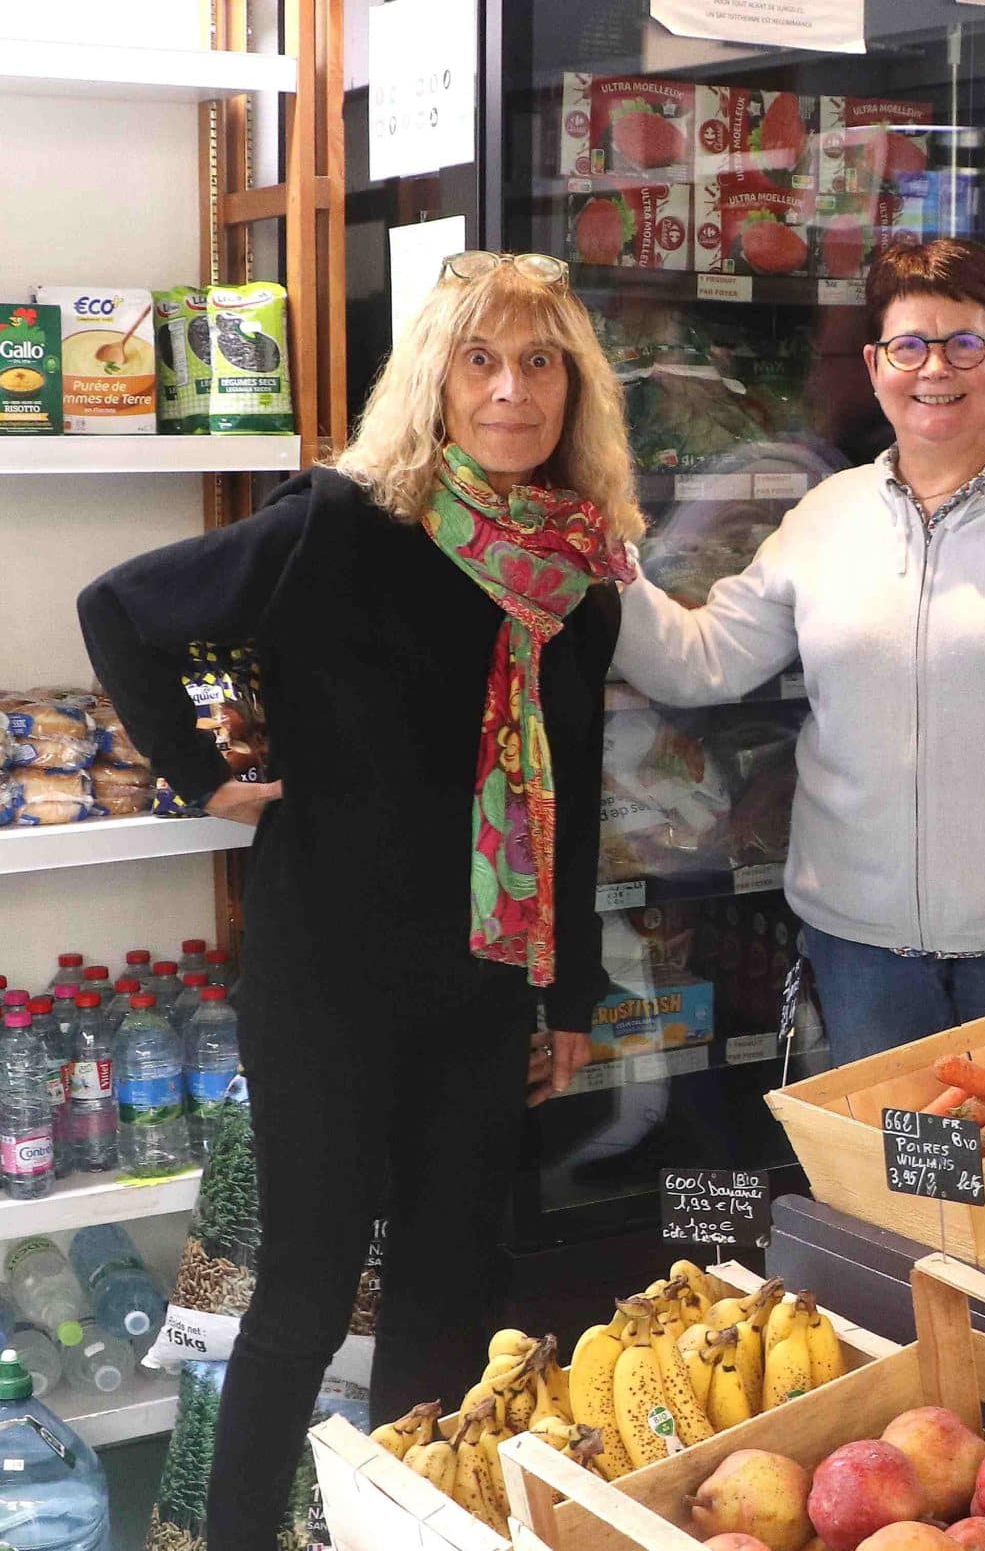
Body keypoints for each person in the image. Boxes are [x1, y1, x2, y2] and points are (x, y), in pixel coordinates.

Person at [77, 251, 629, 1548]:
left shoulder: (575, 576)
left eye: (539, 361)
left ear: (573, 386)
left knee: (447, 1299)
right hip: (326, 980)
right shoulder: (341, 524)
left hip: (483, 990)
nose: (510, 389)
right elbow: (120, 609)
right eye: (481, 360)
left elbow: (579, 799)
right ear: (434, 378)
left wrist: (573, 996)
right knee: (306, 1298)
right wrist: (202, 775)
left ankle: (403, 1532)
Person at [612, 238, 985, 1058]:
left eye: (964, 343)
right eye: (909, 346)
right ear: (876, 365)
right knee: (882, 1181)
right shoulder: (827, 516)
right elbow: (702, 662)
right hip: (861, 950)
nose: (935, 370)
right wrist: (608, 563)